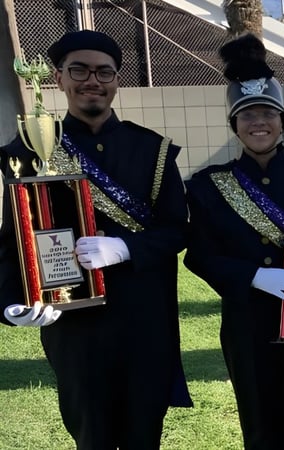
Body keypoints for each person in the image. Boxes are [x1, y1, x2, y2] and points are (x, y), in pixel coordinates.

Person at [0, 30, 192, 448]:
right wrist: (12, 298)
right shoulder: (29, 148)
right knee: (92, 437)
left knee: (145, 436)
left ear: (116, 79)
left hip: (146, 321)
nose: (93, 80)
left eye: (104, 71)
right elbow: (11, 236)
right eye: (80, 70)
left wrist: (126, 248)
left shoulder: (152, 150)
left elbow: (177, 228)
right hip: (75, 326)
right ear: (59, 78)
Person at [182, 33, 284, 450]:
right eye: (247, 114)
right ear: (234, 125)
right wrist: (253, 276)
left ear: (283, 121)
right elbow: (198, 256)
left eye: (268, 113)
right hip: (248, 324)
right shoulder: (209, 186)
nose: (259, 121)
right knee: (258, 428)